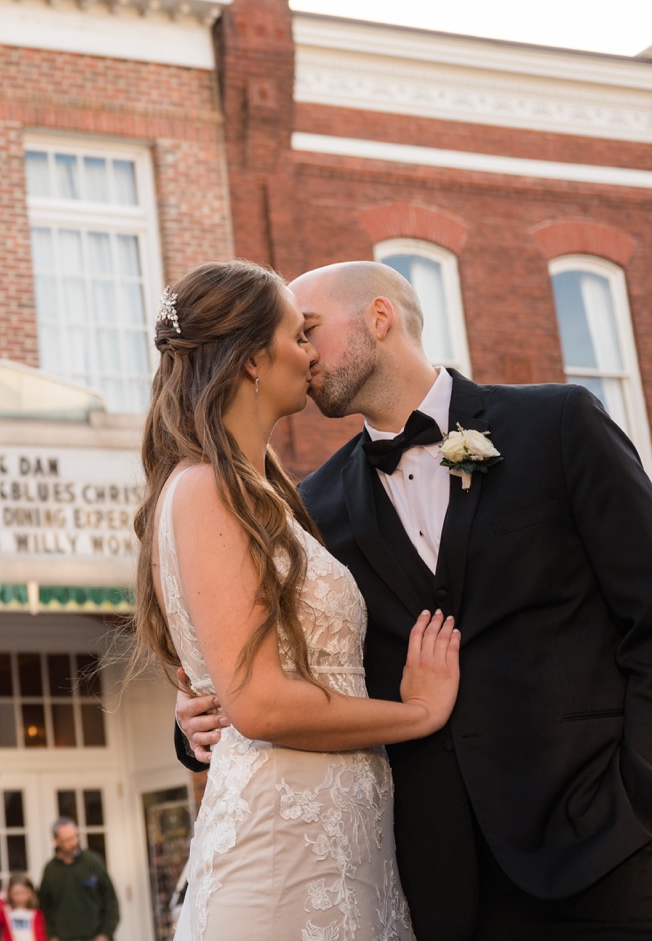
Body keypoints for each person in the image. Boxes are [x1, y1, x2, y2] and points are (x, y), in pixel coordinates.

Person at [171, 261, 652, 941]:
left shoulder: (558, 424)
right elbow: (293, 663)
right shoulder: (312, 508)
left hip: (607, 853)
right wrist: (199, 716)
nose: (304, 354)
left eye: (309, 330)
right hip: (440, 888)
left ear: (379, 317)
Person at [135, 259, 462, 940]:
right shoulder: (205, 488)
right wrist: (418, 711)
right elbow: (256, 702)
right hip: (281, 859)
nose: (311, 353)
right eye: (297, 334)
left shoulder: (275, 498)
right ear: (254, 357)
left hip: (347, 853)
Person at [37, 817, 119, 941]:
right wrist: (52, 935)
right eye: (68, 840)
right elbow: (44, 907)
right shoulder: (50, 870)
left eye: (75, 837)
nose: (74, 842)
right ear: (56, 841)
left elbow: (110, 901)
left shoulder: (93, 862)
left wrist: (105, 934)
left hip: (95, 937)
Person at [0, 872, 46, 941]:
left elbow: (41, 936)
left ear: (30, 893)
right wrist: (1, 896)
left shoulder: (36, 913)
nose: (20, 897)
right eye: (16, 893)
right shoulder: (6, 912)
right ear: (10, 894)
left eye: (23, 893)